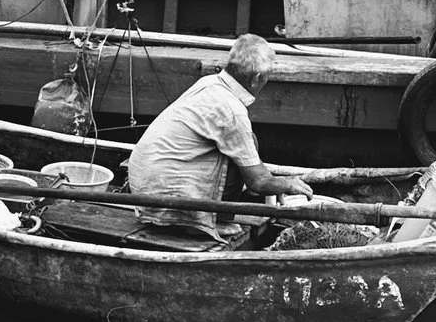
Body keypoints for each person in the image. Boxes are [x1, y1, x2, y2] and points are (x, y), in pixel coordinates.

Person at [125, 34, 312, 246]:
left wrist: (273, 183)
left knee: (248, 141)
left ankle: (203, 217)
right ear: (255, 78)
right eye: (267, 76)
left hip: (144, 191)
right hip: (163, 197)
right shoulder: (232, 111)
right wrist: (286, 184)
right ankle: (202, 223)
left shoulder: (210, 82)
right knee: (242, 153)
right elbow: (257, 182)